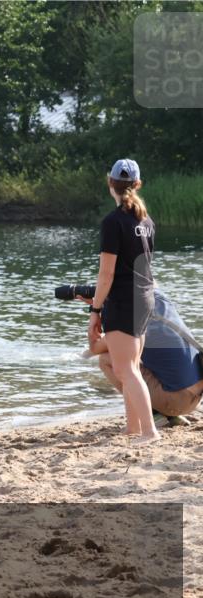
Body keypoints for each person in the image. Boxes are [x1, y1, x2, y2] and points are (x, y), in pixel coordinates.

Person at [87, 158, 160, 444]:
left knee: (126, 369)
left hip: (123, 301)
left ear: (111, 184)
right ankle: (133, 428)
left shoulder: (113, 222)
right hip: (144, 297)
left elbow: (106, 275)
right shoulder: (147, 221)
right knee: (132, 364)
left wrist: (95, 310)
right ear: (137, 184)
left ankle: (150, 432)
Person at [81, 289, 203, 425]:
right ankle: (169, 415)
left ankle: (155, 414)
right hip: (196, 397)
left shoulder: (132, 322)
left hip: (175, 401)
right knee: (136, 356)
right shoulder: (160, 300)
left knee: (106, 359)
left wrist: (96, 310)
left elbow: (94, 348)